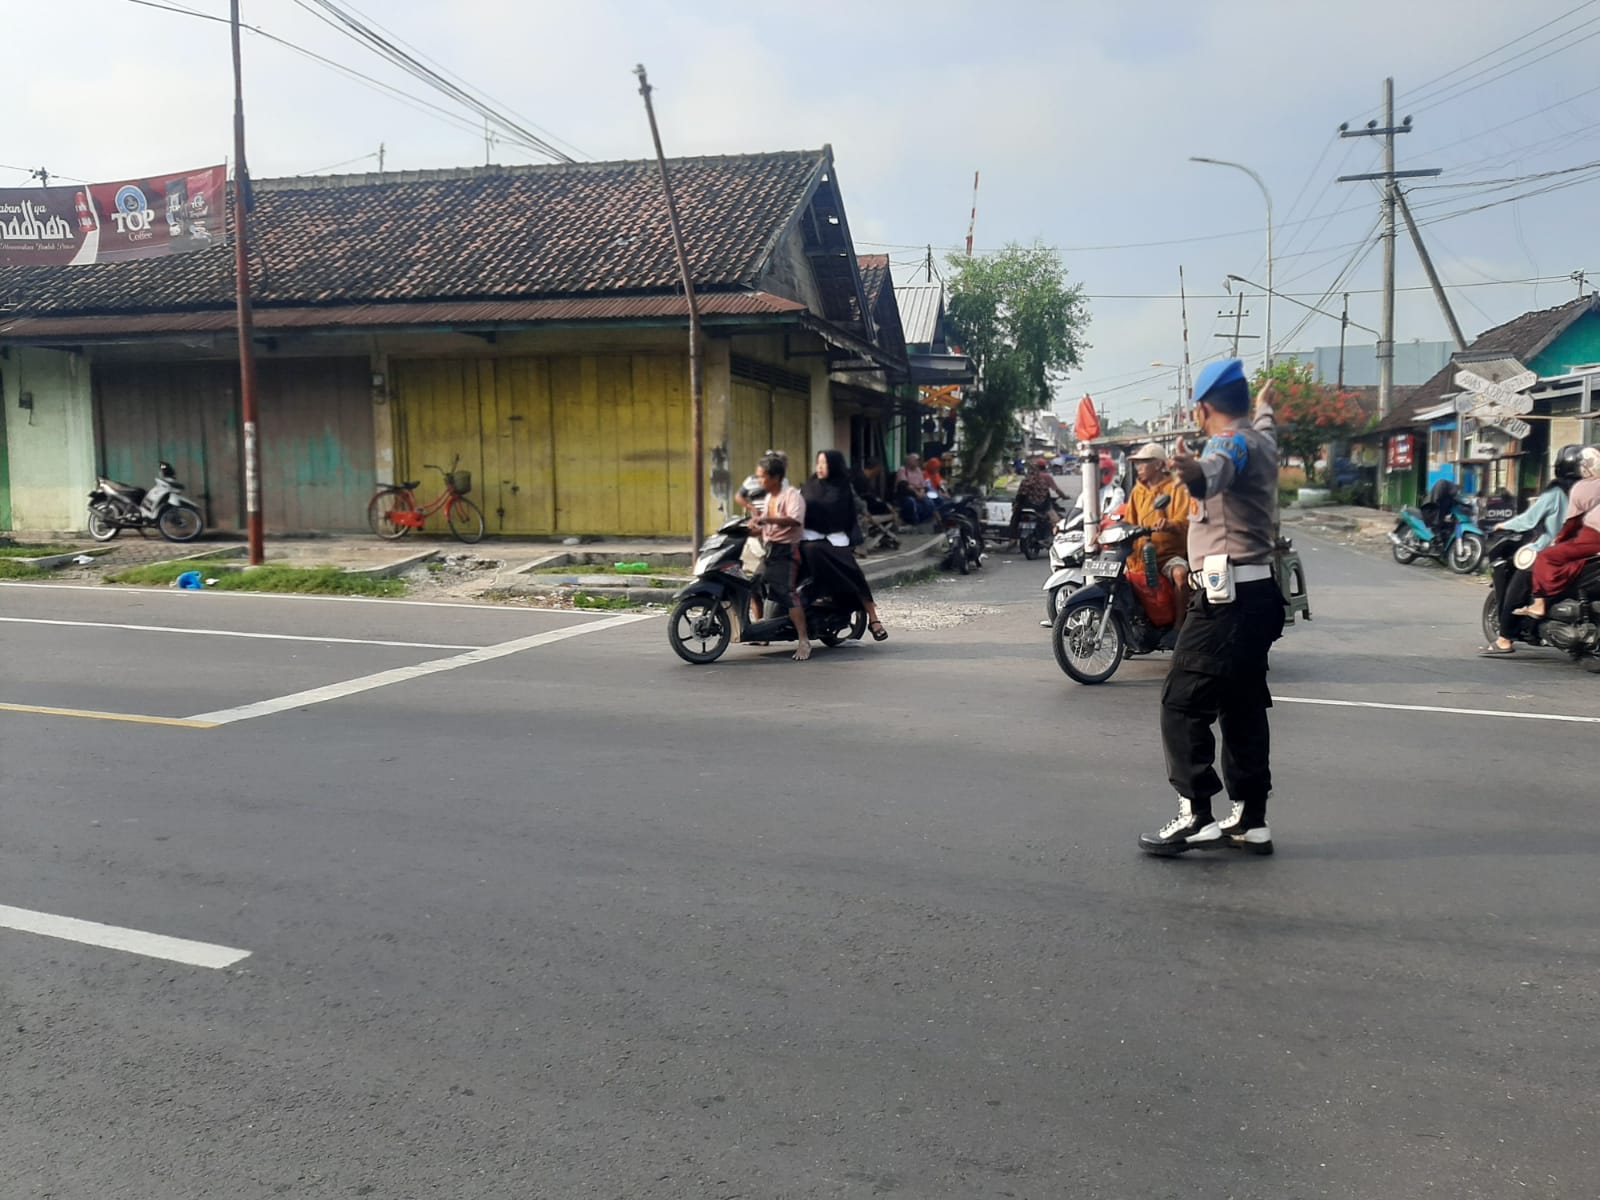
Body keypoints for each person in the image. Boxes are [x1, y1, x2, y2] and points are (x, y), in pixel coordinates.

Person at [1140, 359, 1284, 857]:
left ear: (1202, 409)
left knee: (1180, 702)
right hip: (1259, 594)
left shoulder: (1227, 443)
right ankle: (1250, 817)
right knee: (1242, 704)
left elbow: (1213, 475)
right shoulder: (1261, 436)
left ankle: (1196, 813)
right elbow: (1264, 419)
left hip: (1226, 601)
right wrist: (1265, 405)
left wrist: (1194, 475)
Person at [1481, 445, 1586, 656]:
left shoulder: (1557, 493)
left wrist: (1503, 526)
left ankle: (1504, 640)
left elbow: (1529, 519)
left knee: (1515, 590)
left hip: (1552, 553)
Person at [801, 450, 888, 641]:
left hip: (836, 538)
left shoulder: (843, 487)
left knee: (853, 574)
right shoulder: (810, 485)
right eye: (818, 463)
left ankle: (874, 619)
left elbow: (847, 513)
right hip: (808, 536)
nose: (820, 467)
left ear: (833, 465)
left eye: (824, 463)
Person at [1512, 446, 1600, 623]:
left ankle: (1539, 604)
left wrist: (1559, 540)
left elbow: (1572, 523)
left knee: (1546, 558)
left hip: (1592, 538)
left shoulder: (1579, 488)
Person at [748, 452, 812, 661]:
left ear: (775, 477)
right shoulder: (769, 498)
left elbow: (794, 520)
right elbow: (768, 528)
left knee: (787, 593)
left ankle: (804, 640)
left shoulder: (792, 495)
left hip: (787, 551)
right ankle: (761, 631)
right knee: (752, 584)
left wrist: (766, 519)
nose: (759, 481)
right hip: (770, 550)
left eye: (762, 476)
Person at [1124, 442, 1194, 619]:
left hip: (1167, 555)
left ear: (1158, 464)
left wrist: (1169, 525)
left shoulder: (1176, 488)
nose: (1139, 467)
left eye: (1144, 462)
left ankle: (1179, 626)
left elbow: (1185, 521)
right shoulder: (1137, 492)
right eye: (1138, 463)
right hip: (1140, 556)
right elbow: (1128, 522)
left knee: (1181, 575)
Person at [1008, 458, 1070, 546]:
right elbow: (1056, 490)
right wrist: (1064, 496)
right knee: (1055, 520)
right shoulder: (1044, 478)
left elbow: (1020, 495)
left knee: (1015, 517)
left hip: (1025, 505)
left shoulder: (1026, 480)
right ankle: (1056, 536)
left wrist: (1017, 505)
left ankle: (1012, 538)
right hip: (1041, 506)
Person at [895, 454, 936, 525]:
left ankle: (923, 521)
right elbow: (905, 485)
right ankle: (913, 522)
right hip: (907, 494)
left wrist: (922, 493)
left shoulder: (918, 470)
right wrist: (916, 493)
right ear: (909, 461)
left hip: (919, 493)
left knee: (930, 503)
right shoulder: (902, 470)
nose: (917, 462)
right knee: (911, 502)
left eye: (918, 461)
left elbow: (923, 485)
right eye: (915, 461)